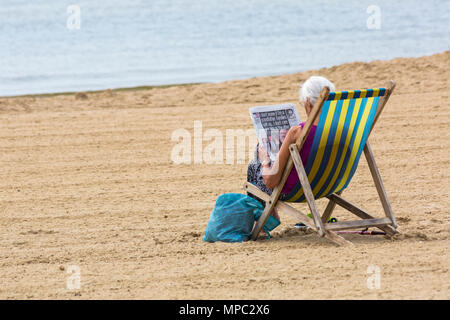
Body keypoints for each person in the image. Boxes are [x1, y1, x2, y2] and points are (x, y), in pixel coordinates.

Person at [247, 76, 336, 222]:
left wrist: (264, 161)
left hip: (295, 190)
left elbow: (270, 181)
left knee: (254, 165)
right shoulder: (344, 129)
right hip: (329, 184)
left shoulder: (297, 132)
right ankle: (269, 213)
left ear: (308, 102)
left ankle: (263, 222)